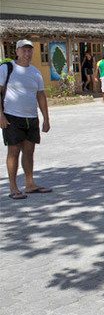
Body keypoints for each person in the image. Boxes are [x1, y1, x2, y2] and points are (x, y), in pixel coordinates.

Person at [0, 40, 52, 199]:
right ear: (17, 51)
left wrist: (46, 118)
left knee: (29, 152)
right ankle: (13, 187)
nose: (27, 54)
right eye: (24, 50)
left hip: (31, 117)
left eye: (30, 50)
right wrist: (0, 115)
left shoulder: (35, 72)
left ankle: (30, 184)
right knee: (13, 152)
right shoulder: (6, 68)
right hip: (11, 117)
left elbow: (41, 95)